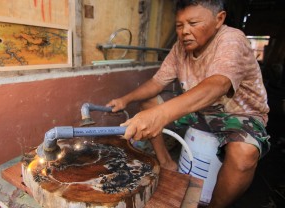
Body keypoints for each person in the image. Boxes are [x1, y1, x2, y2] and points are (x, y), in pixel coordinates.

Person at [106, 0, 270, 207]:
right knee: (149, 104)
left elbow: (218, 85)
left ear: (219, 19)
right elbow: (157, 82)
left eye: (193, 23)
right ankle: (166, 163)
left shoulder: (231, 39)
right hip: (201, 110)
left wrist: (161, 115)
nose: (184, 31)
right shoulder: (179, 49)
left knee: (245, 154)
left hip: (239, 115)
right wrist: (125, 99)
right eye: (179, 25)